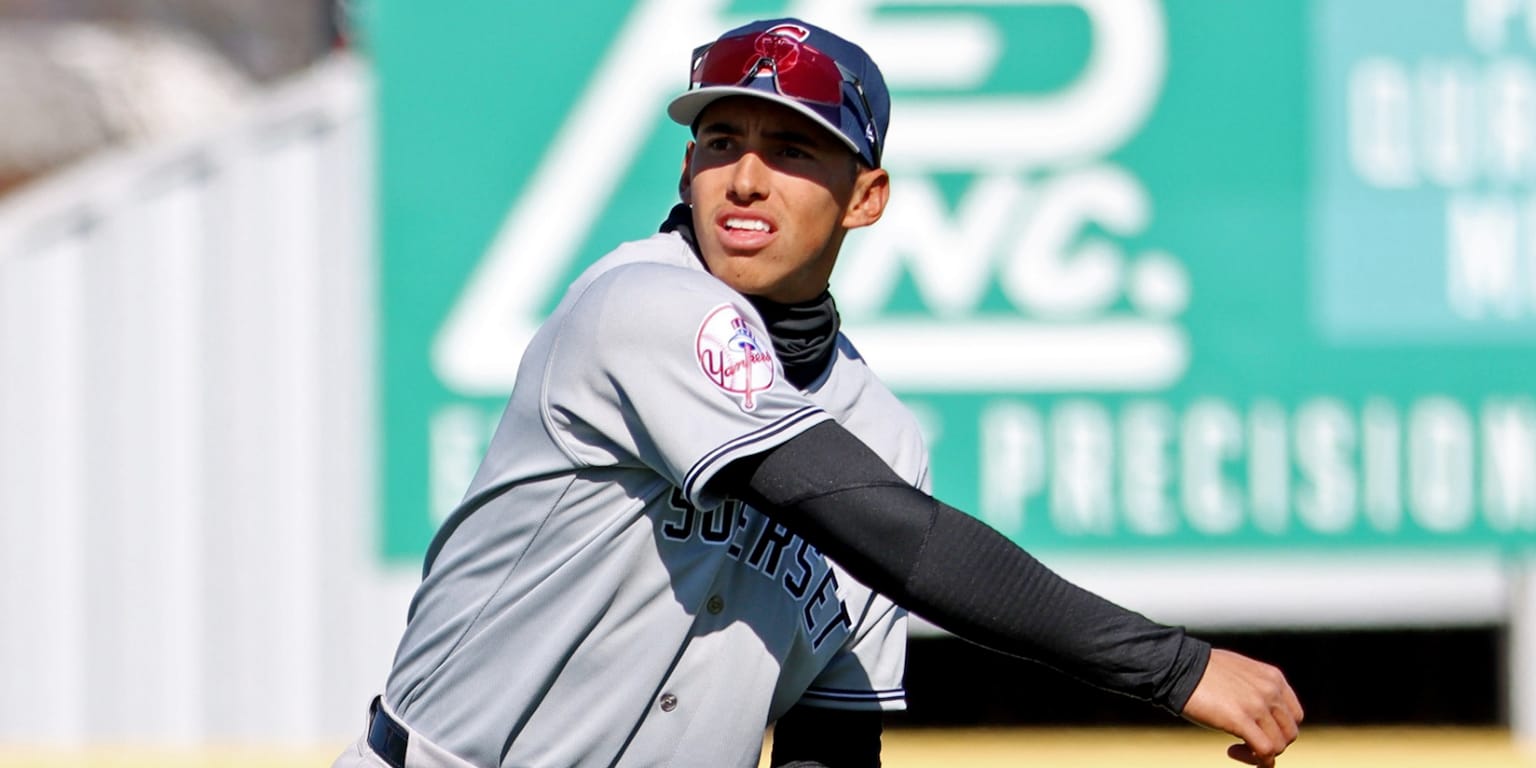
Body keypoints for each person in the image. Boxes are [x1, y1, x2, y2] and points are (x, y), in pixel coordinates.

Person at [336, 17, 1303, 768]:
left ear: (866, 197)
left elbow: (830, 735)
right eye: (722, 140)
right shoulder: (644, 307)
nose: (746, 178)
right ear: (686, 165)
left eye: (794, 149)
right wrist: (1173, 668)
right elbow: (880, 526)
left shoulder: (878, 432)